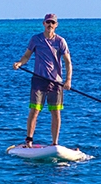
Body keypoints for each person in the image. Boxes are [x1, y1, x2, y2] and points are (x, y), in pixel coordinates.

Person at [12, 13, 72, 147]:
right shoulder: (35, 39)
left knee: (55, 112)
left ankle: (55, 143)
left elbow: (68, 62)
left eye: (52, 23)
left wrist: (68, 80)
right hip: (38, 80)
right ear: (43, 24)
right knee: (35, 110)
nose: (50, 25)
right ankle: (29, 140)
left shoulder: (60, 41)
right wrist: (19, 64)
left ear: (56, 25)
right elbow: (26, 56)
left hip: (56, 82)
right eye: (48, 22)